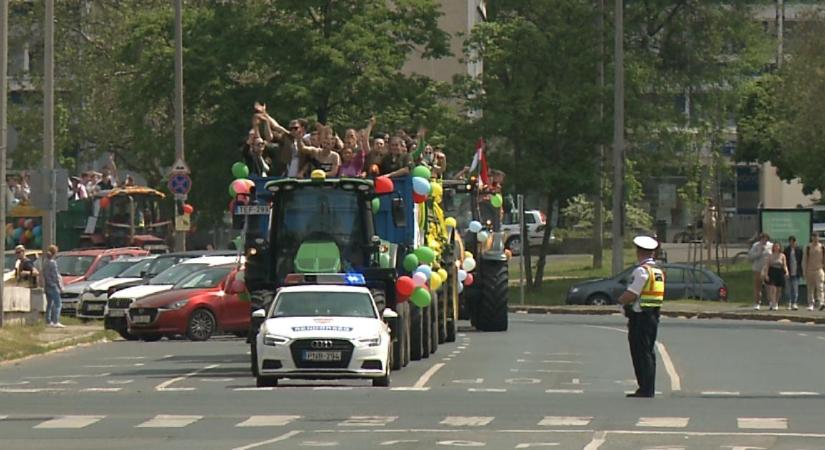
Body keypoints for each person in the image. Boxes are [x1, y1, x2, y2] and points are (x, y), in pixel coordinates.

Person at [617, 235, 664, 399]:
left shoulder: (641, 271)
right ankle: (648, 386)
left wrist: (621, 300)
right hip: (652, 314)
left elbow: (633, 292)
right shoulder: (657, 271)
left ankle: (644, 388)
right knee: (648, 352)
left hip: (641, 316)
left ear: (639, 252)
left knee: (640, 352)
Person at [42, 245, 65, 328]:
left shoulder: (45, 261)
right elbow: (55, 276)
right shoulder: (53, 263)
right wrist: (60, 286)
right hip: (53, 285)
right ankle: (56, 321)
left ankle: (48, 321)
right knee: (58, 304)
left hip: (47, 285)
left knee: (49, 304)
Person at [747, 233, 772, 310]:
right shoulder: (756, 245)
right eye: (763, 239)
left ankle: (771, 302)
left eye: (766, 239)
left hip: (767, 269)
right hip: (757, 269)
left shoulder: (771, 245)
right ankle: (757, 303)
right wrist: (759, 252)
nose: (764, 240)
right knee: (758, 287)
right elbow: (750, 256)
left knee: (769, 286)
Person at [762, 242, 788, 311]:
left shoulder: (782, 255)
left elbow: (784, 265)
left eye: (777, 246)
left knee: (779, 289)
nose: (776, 247)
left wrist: (786, 272)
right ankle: (772, 302)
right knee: (772, 288)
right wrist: (766, 274)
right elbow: (767, 266)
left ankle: (776, 302)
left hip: (779, 272)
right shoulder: (770, 256)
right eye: (775, 246)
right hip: (772, 272)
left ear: (780, 247)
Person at [802, 233, 825, 311]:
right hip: (809, 270)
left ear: (818, 238)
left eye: (816, 237)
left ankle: (822, 302)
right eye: (813, 237)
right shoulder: (808, 247)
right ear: (811, 238)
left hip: (819, 270)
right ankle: (811, 304)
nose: (815, 238)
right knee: (810, 289)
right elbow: (804, 260)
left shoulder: (822, 247)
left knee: (820, 287)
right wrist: (804, 271)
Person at [784, 236, 803, 310]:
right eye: (790, 241)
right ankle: (789, 302)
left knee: (795, 289)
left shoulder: (799, 250)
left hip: (796, 272)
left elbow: (801, 261)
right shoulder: (786, 250)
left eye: (793, 241)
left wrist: (801, 272)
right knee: (788, 289)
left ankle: (794, 303)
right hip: (788, 272)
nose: (792, 243)